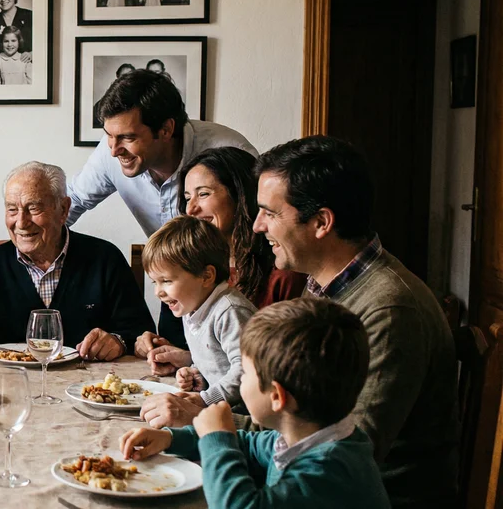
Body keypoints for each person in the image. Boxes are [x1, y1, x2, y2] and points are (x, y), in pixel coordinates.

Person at [142, 136, 459, 509]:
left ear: (322, 222)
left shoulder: (390, 309)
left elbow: (345, 443)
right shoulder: (324, 284)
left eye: (270, 213)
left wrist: (212, 426)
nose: (257, 225)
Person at [120, 298, 389, 508]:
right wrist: (169, 439)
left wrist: (217, 439)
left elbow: (238, 505)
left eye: (245, 374)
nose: (240, 381)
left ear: (277, 397)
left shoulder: (328, 471)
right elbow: (249, 444)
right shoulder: (306, 437)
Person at [67, 69, 255, 348]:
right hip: (176, 290)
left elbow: (262, 222)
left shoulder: (228, 151)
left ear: (165, 130)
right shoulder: (111, 154)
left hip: (238, 285)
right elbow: (70, 204)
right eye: (108, 135)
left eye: (128, 137)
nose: (114, 149)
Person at [0, 162, 154, 359]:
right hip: (10, 387)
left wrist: (118, 341)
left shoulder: (105, 259)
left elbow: (140, 332)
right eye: (12, 210)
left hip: (88, 389)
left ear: (63, 209)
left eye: (33, 208)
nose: (22, 222)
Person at [134, 148, 307, 357]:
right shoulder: (182, 267)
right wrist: (155, 345)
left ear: (240, 195)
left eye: (204, 194)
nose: (191, 209)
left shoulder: (283, 269)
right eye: (188, 198)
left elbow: (283, 358)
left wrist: (192, 362)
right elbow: (181, 341)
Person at [142, 216, 254, 411]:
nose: (158, 292)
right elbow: (218, 362)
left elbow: (246, 370)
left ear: (206, 276)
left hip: (249, 418)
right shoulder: (192, 307)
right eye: (155, 282)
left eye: (166, 281)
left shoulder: (230, 311)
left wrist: (206, 399)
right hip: (223, 409)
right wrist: (197, 374)